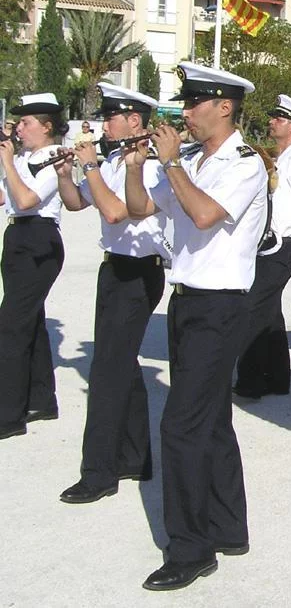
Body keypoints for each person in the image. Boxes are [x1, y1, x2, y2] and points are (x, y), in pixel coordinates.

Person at [124, 62, 267, 591]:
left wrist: (171, 166)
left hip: (220, 307)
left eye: (193, 104)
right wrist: (140, 165)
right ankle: (229, 527)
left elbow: (206, 216)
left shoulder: (244, 162)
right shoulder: (191, 161)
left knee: (180, 426)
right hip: (186, 303)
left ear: (224, 107)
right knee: (210, 421)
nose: (184, 113)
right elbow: (136, 209)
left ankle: (190, 549)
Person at [54, 84, 170, 501]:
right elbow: (76, 204)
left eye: (111, 117)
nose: (104, 124)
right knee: (120, 363)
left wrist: (90, 168)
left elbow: (116, 212)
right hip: (115, 270)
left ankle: (98, 472)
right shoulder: (115, 161)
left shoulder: (150, 166)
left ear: (134, 121)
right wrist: (67, 173)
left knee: (106, 372)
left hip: (139, 272)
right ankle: (134, 457)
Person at [233, 95, 291, 400]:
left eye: (280, 119)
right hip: (268, 245)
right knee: (269, 311)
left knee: (253, 307)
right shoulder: (276, 158)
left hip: (286, 246)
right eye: (274, 118)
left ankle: (251, 381)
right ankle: (277, 378)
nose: (272, 122)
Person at [0, 93, 67, 441]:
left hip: (39, 239)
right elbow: (5, 196)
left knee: (9, 327)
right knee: (30, 321)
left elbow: (27, 200)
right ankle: (42, 399)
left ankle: (8, 414)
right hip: (17, 238)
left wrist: (9, 163)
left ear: (46, 126)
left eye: (25, 123)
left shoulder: (55, 157)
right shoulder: (25, 157)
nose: (18, 129)